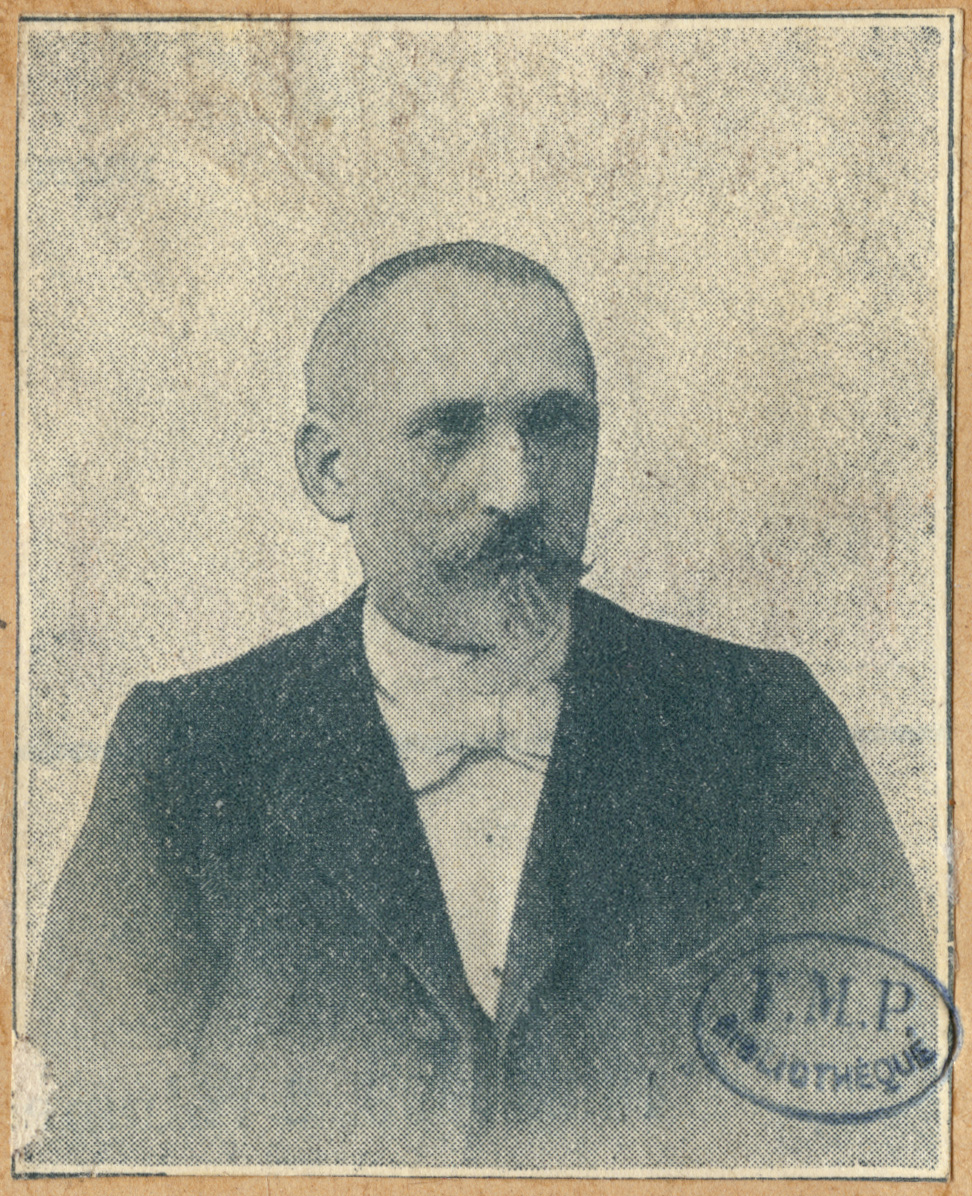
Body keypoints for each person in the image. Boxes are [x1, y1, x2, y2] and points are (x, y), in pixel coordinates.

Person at [28, 241, 929, 1170]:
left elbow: (888, 1122)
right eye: (448, 433)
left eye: (555, 425)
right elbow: (89, 1142)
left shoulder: (763, 729)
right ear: (329, 470)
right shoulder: (188, 755)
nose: (518, 489)